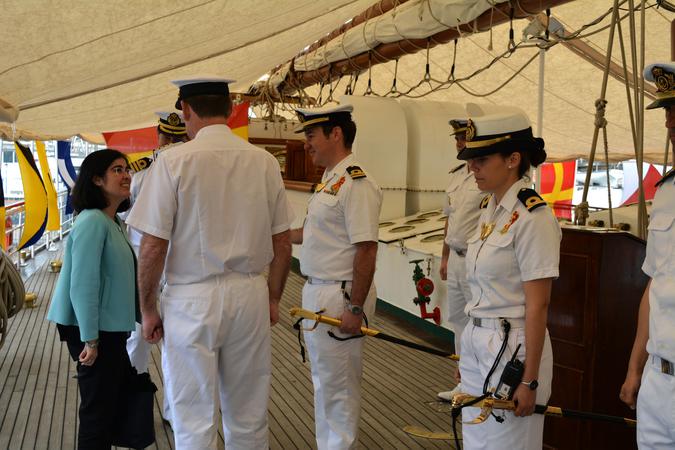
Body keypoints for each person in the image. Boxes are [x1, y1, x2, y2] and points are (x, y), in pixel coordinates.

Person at [125, 76, 292, 450]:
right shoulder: (264, 162)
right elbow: (282, 242)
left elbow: (152, 246)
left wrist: (148, 310)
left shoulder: (172, 162)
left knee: (194, 420)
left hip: (191, 300)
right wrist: (272, 298)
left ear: (185, 110)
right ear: (230, 109)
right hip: (250, 294)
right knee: (248, 416)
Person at [456, 107, 561, 449]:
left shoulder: (534, 217)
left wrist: (529, 380)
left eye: (482, 159)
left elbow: (538, 305)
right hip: (479, 340)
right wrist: (469, 352)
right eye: (472, 160)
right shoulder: (489, 210)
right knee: (476, 442)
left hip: (513, 347)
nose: (472, 167)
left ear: (513, 159)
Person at [290, 103, 383, 450]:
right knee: (325, 383)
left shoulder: (357, 183)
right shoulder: (331, 180)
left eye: (312, 135)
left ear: (336, 134)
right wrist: (275, 235)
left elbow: (366, 249)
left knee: (339, 387)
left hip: (340, 296)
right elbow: (313, 234)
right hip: (319, 290)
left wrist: (355, 308)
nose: (307, 144)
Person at [47, 149, 139, 449]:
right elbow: (82, 284)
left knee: (108, 405)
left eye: (126, 169)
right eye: (117, 170)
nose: (126, 175)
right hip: (93, 329)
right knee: (97, 412)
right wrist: (91, 339)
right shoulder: (92, 222)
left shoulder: (112, 222)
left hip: (108, 327)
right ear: (97, 180)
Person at [620, 62, 675, 449]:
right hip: (658, 379)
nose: (670, 123)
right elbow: (654, 285)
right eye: (668, 112)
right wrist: (634, 367)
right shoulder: (666, 192)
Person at [125, 111, 188, 376]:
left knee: (139, 330)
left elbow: (124, 214)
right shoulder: (192, 166)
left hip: (143, 260)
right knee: (183, 338)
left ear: (159, 136)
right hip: (182, 264)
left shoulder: (141, 171)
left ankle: (134, 382)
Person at [437, 118, 485, 402]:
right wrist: (444, 257)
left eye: (463, 138)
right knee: (458, 320)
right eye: (457, 139)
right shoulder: (456, 175)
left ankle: (479, 383)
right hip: (455, 258)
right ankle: (464, 382)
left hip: (475, 261)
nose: (459, 144)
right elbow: (450, 220)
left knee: (478, 322)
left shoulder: (486, 177)